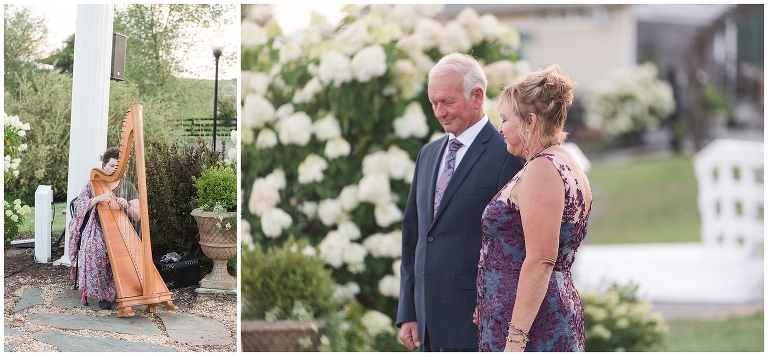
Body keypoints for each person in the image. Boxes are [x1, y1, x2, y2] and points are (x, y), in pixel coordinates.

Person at [397, 53, 525, 351]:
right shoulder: (427, 155)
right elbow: (414, 236)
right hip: (425, 322)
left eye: (447, 102)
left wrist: (500, 308)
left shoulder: (508, 155)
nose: (439, 112)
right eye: (433, 103)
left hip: (477, 320)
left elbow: (517, 245)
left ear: (477, 96)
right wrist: (408, 312)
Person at [475, 65, 591, 352]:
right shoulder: (563, 159)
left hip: (530, 324)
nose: (500, 128)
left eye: (505, 119)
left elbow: (541, 259)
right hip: (534, 311)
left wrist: (515, 340)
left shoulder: (542, 168)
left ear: (530, 121)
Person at [68, 147, 141, 310]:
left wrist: (126, 205)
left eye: (118, 166)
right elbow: (79, 205)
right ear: (103, 165)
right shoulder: (93, 184)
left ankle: (119, 290)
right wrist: (98, 198)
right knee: (96, 249)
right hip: (96, 229)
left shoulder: (128, 187)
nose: (114, 169)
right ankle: (103, 293)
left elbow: (137, 216)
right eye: (111, 165)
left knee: (119, 251)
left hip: (123, 232)